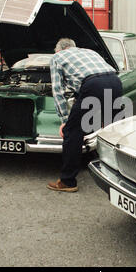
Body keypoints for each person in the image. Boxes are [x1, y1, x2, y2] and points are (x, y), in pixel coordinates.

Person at [47, 38, 123, 192]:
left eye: (55, 50)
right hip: (115, 82)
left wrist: (64, 120)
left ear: (60, 50)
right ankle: (121, 174)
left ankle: (68, 182)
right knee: (112, 130)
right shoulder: (89, 51)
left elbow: (58, 91)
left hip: (93, 85)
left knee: (72, 131)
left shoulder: (57, 58)